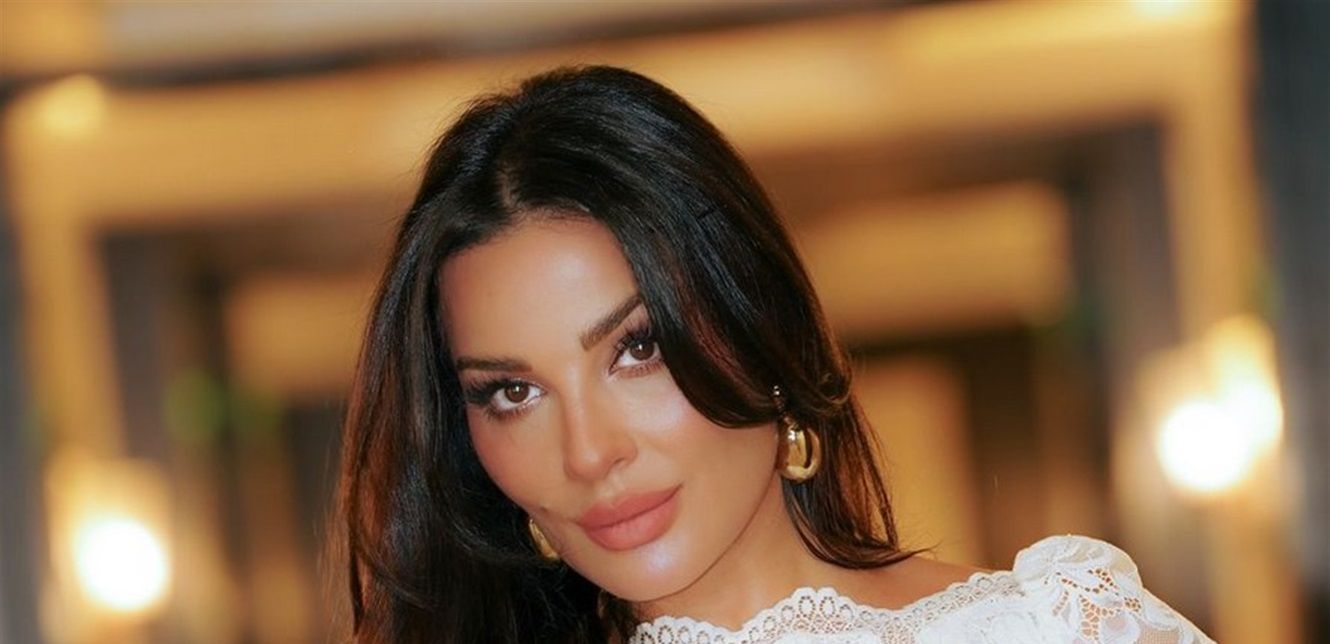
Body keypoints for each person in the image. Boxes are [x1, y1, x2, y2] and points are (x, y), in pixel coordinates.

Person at [337, 65, 1215, 644]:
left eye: (638, 348)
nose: (589, 453)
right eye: (511, 392)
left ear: (759, 324)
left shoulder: (1059, 628)